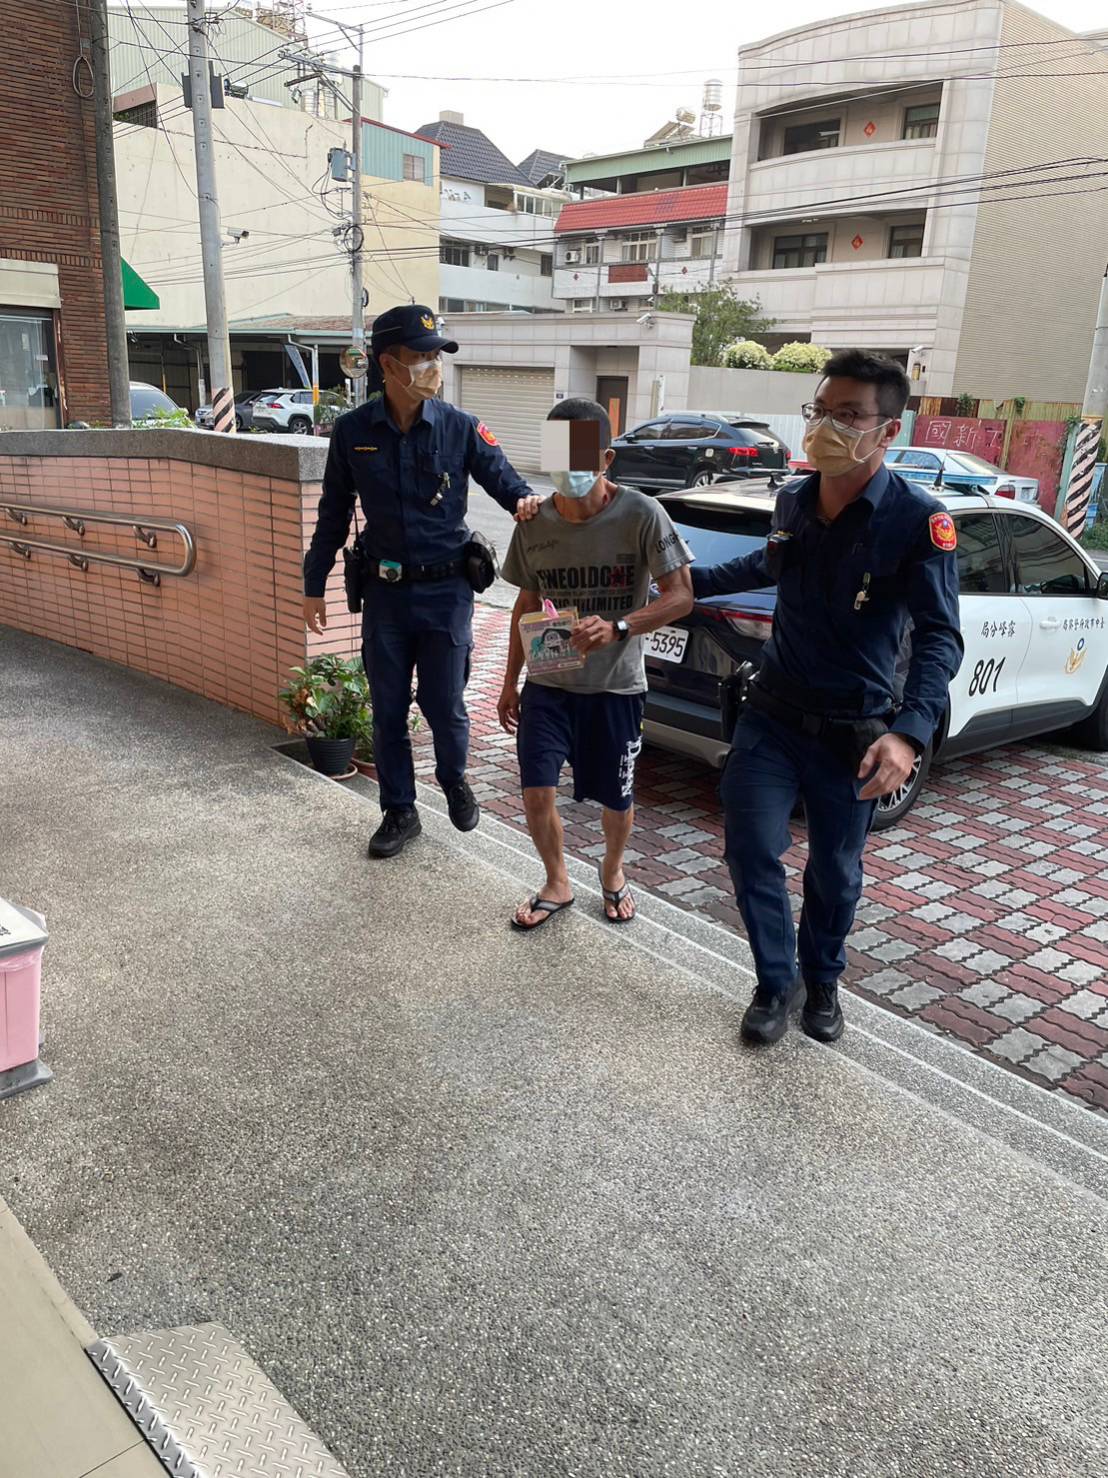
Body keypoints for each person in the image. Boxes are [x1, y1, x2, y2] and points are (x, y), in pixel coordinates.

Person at [691, 349, 963, 1046]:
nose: (826, 427)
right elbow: (769, 562)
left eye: (848, 415)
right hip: (772, 716)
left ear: (888, 431)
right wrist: (687, 584)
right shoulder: (794, 499)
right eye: (820, 410)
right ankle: (775, 981)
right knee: (751, 847)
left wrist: (909, 734)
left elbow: (940, 639)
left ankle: (823, 980)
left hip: (855, 731)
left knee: (835, 875)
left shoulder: (918, 521)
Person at [303, 304, 541, 858]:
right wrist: (314, 584)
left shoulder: (460, 427)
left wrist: (531, 504)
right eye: (423, 356)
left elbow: (508, 484)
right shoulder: (354, 432)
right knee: (388, 709)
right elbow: (332, 512)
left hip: (446, 592)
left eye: (438, 355)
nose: (435, 366)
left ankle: (453, 778)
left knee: (444, 704)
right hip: (385, 595)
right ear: (389, 365)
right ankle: (399, 811)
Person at [498, 397, 694, 929]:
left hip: (616, 688)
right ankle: (556, 881)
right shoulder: (533, 521)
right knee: (536, 790)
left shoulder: (642, 514)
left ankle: (612, 868)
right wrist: (510, 681)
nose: (567, 467)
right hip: (549, 684)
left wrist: (620, 627)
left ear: (606, 458)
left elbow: (681, 596)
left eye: (579, 454)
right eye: (557, 453)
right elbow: (525, 603)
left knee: (617, 799)